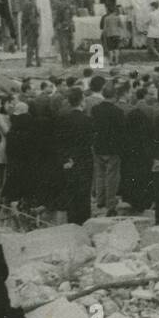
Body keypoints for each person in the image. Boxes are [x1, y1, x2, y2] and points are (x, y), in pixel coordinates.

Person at [56, 87, 95, 224]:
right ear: (82, 101)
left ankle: (72, 221)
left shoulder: (63, 119)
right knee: (84, 194)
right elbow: (91, 141)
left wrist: (65, 159)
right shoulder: (88, 120)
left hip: (69, 160)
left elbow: (59, 142)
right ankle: (84, 222)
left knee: (71, 193)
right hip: (84, 159)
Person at [90, 83, 125, 213]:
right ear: (115, 96)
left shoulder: (95, 109)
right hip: (113, 148)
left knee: (99, 174)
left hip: (98, 145)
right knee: (112, 176)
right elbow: (121, 131)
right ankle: (110, 203)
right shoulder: (118, 112)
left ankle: (100, 200)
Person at [21, 0, 42, 67]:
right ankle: (36, 61)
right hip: (32, 27)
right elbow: (32, 17)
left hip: (28, 27)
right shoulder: (32, 5)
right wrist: (35, 28)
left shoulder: (26, 5)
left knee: (30, 45)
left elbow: (24, 18)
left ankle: (29, 61)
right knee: (34, 45)